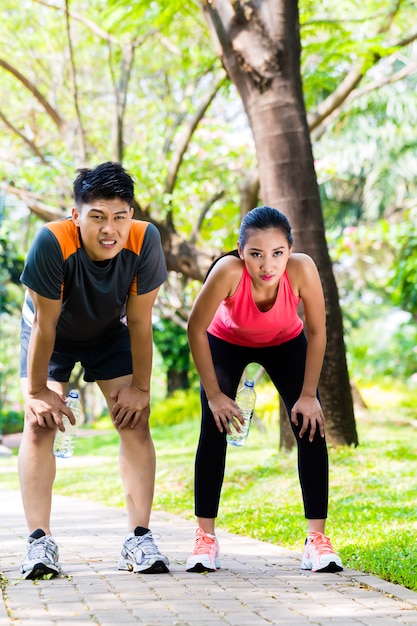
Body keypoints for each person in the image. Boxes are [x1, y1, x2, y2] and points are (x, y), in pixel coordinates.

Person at [18, 161, 170, 579]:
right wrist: (36, 392)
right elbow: (44, 326)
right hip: (54, 334)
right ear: (76, 216)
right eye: (97, 217)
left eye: (120, 217)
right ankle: (39, 543)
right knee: (39, 424)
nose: (110, 229)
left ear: (132, 217)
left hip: (109, 331)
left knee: (135, 421)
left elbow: (140, 321)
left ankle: (139, 538)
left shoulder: (145, 240)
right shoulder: (51, 242)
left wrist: (141, 387)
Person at [185, 206, 343, 574]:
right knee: (214, 427)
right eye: (255, 254)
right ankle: (205, 538)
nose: (266, 264)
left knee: (311, 425)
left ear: (289, 250)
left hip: (286, 343)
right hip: (226, 341)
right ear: (241, 251)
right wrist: (215, 396)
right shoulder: (227, 272)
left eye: (277, 253)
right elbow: (195, 328)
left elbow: (317, 332)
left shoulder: (302, 269)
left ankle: (316, 540)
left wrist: (307, 395)